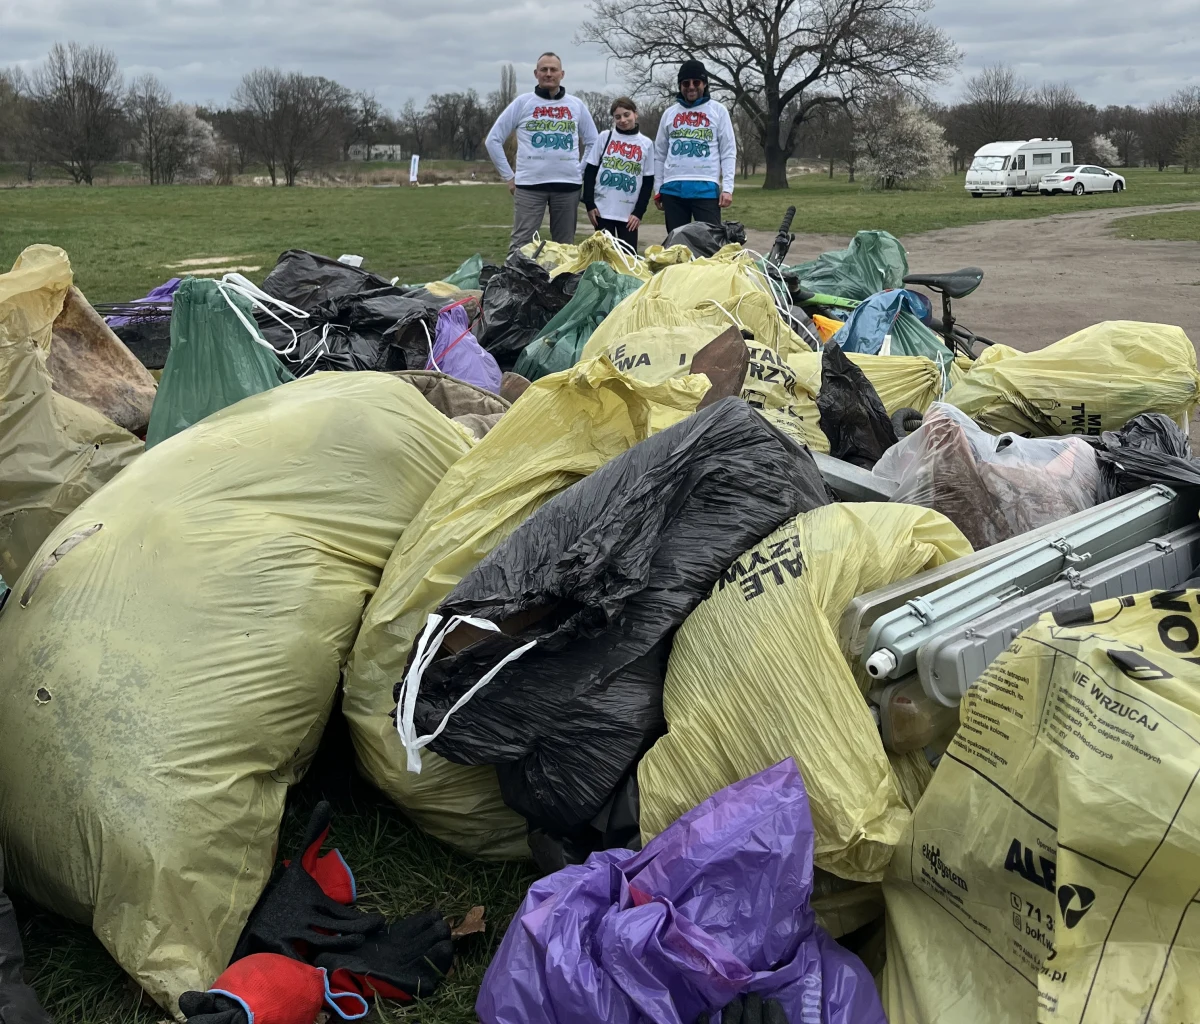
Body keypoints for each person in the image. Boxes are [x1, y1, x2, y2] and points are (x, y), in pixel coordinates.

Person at [485, 52, 598, 251]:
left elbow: (593, 142)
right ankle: (517, 273)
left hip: (568, 187)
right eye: (544, 69)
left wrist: (579, 171)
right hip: (529, 186)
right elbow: (493, 140)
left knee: (565, 248)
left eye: (553, 69)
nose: (548, 74)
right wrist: (509, 177)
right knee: (521, 246)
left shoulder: (576, 105)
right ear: (536, 73)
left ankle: (560, 274)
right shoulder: (523, 103)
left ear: (562, 74)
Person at [653, 59, 737, 232]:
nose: (691, 87)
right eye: (686, 83)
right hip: (672, 190)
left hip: (706, 189)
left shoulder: (718, 111)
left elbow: (728, 151)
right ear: (680, 85)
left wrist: (728, 188)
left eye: (696, 82)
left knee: (709, 242)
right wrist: (658, 188)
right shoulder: (669, 114)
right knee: (676, 244)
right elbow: (659, 154)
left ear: (704, 84)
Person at [582, 96, 655, 250]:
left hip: (628, 216)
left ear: (635, 114)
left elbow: (648, 182)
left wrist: (638, 212)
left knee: (628, 259)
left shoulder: (646, 144)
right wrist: (589, 204)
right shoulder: (604, 137)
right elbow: (590, 172)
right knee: (603, 257)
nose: (623, 120)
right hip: (602, 211)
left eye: (626, 115)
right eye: (617, 117)